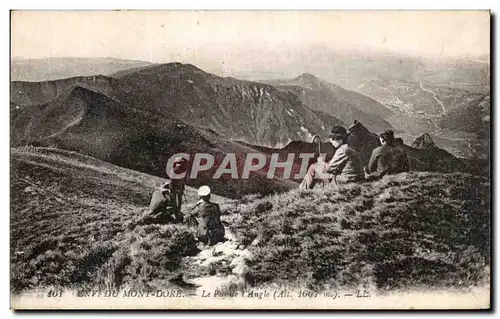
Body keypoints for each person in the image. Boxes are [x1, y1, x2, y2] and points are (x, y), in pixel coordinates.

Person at [299, 126, 364, 190]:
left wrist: (321, 162)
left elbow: (329, 169)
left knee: (313, 167)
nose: (331, 141)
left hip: (346, 181)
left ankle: (302, 190)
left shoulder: (342, 150)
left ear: (340, 139)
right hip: (356, 178)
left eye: (333, 138)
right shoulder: (348, 147)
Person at [169, 157, 189, 223]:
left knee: (175, 201)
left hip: (176, 188)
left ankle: (176, 213)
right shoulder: (182, 170)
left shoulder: (174, 170)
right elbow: (184, 180)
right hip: (177, 188)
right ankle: (177, 213)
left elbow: (172, 181)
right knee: (177, 201)